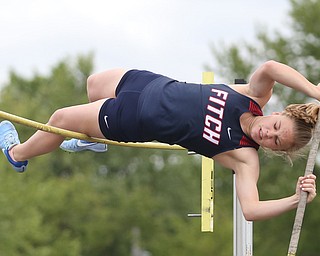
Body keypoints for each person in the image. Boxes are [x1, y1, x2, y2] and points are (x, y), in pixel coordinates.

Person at [0, 60, 317, 221]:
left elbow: (250, 209)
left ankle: (17, 153)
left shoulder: (244, 157)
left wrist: (294, 200)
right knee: (93, 83)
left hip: (134, 118)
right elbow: (272, 68)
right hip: (149, 83)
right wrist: (315, 92)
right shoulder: (252, 96)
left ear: (278, 151)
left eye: (276, 141)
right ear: (278, 112)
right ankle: (92, 140)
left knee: (59, 120)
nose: (269, 134)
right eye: (276, 126)